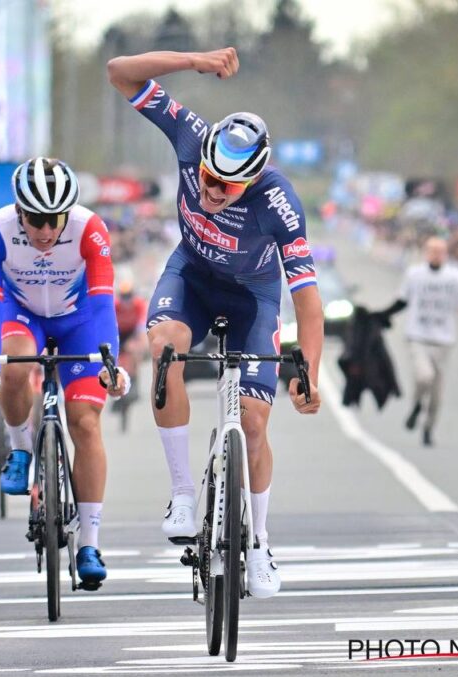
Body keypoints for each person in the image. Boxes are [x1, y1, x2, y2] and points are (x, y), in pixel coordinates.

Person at [108, 47, 323, 598]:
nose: (209, 191)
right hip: (192, 277)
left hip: (254, 297)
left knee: (254, 422)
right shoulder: (190, 133)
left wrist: (309, 371)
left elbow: (307, 296)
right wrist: (193, 61)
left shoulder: (279, 201)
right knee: (165, 349)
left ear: (251, 182)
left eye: (225, 188)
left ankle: (259, 544)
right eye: (205, 178)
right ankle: (182, 493)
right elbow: (119, 73)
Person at [0, 157, 129, 589]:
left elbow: (101, 304)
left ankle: (90, 544)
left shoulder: (90, 228)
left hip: (78, 321)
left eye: (54, 220)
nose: (44, 231)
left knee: (86, 423)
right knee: (15, 362)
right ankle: (21, 449)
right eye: (36, 220)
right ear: (20, 211)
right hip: (21, 314)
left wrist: (110, 363)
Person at [375, 236, 458, 446]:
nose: (436, 255)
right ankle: (417, 404)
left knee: (437, 394)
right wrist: (381, 315)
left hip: (443, 341)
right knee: (424, 376)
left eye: (440, 251)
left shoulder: (454, 277)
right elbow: (402, 301)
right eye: (432, 251)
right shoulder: (415, 274)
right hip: (418, 337)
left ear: (445, 254)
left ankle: (428, 428)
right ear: (426, 253)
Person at [114, 280, 149, 390]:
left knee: (134, 351)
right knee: (116, 356)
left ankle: (134, 378)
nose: (126, 301)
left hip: (132, 333)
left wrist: (140, 345)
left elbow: (141, 327)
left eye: (128, 296)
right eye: (123, 297)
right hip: (119, 333)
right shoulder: (115, 305)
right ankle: (117, 381)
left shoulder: (139, 305)